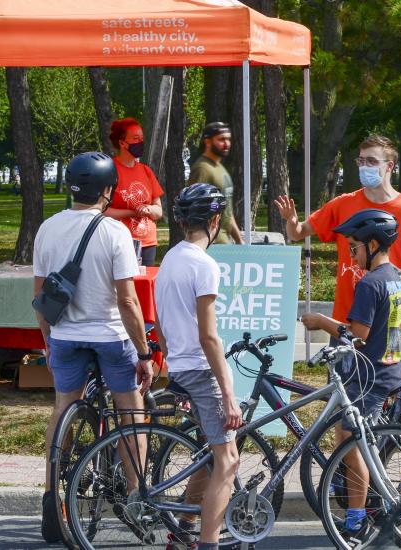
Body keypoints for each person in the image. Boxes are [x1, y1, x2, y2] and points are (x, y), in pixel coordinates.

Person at [33, 152, 155, 543]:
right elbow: (127, 302)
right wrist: (144, 352)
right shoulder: (115, 233)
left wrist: (48, 341)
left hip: (66, 336)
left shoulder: (47, 228)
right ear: (107, 190)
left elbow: (40, 294)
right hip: (110, 337)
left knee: (63, 407)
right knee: (131, 413)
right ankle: (137, 498)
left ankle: (53, 497)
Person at [301, 209, 401, 542]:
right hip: (390, 370)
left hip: (369, 376)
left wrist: (322, 322)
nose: (351, 254)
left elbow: (358, 335)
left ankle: (356, 520)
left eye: (354, 247)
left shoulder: (370, 284)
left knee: (351, 446)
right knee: (347, 440)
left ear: (373, 244)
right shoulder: (395, 278)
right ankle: (361, 505)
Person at [155, 183, 244, 550]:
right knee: (229, 459)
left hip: (179, 365)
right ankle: (208, 543)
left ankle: (185, 528)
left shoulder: (170, 258)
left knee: (209, 452)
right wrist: (229, 394)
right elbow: (209, 337)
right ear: (215, 220)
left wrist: (171, 360)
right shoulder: (204, 265)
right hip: (200, 369)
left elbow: (159, 324)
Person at [274, 134, 401, 325]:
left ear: (390, 166)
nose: (365, 167)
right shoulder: (342, 204)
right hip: (345, 320)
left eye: (372, 161)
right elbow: (297, 233)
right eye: (361, 160)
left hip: (389, 321)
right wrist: (292, 221)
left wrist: (399, 277)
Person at [103, 117, 165, 266]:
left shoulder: (146, 171)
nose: (140, 143)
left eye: (142, 138)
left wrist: (148, 208)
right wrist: (133, 212)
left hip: (148, 243)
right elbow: (102, 211)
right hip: (120, 242)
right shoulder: (109, 170)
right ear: (122, 142)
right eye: (135, 138)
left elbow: (159, 211)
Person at [187, 122, 243, 244]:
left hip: (224, 242)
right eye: (221, 139)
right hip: (210, 243)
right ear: (207, 141)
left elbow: (227, 207)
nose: (226, 143)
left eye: (228, 139)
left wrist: (239, 240)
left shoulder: (220, 169)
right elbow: (194, 208)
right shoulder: (203, 168)